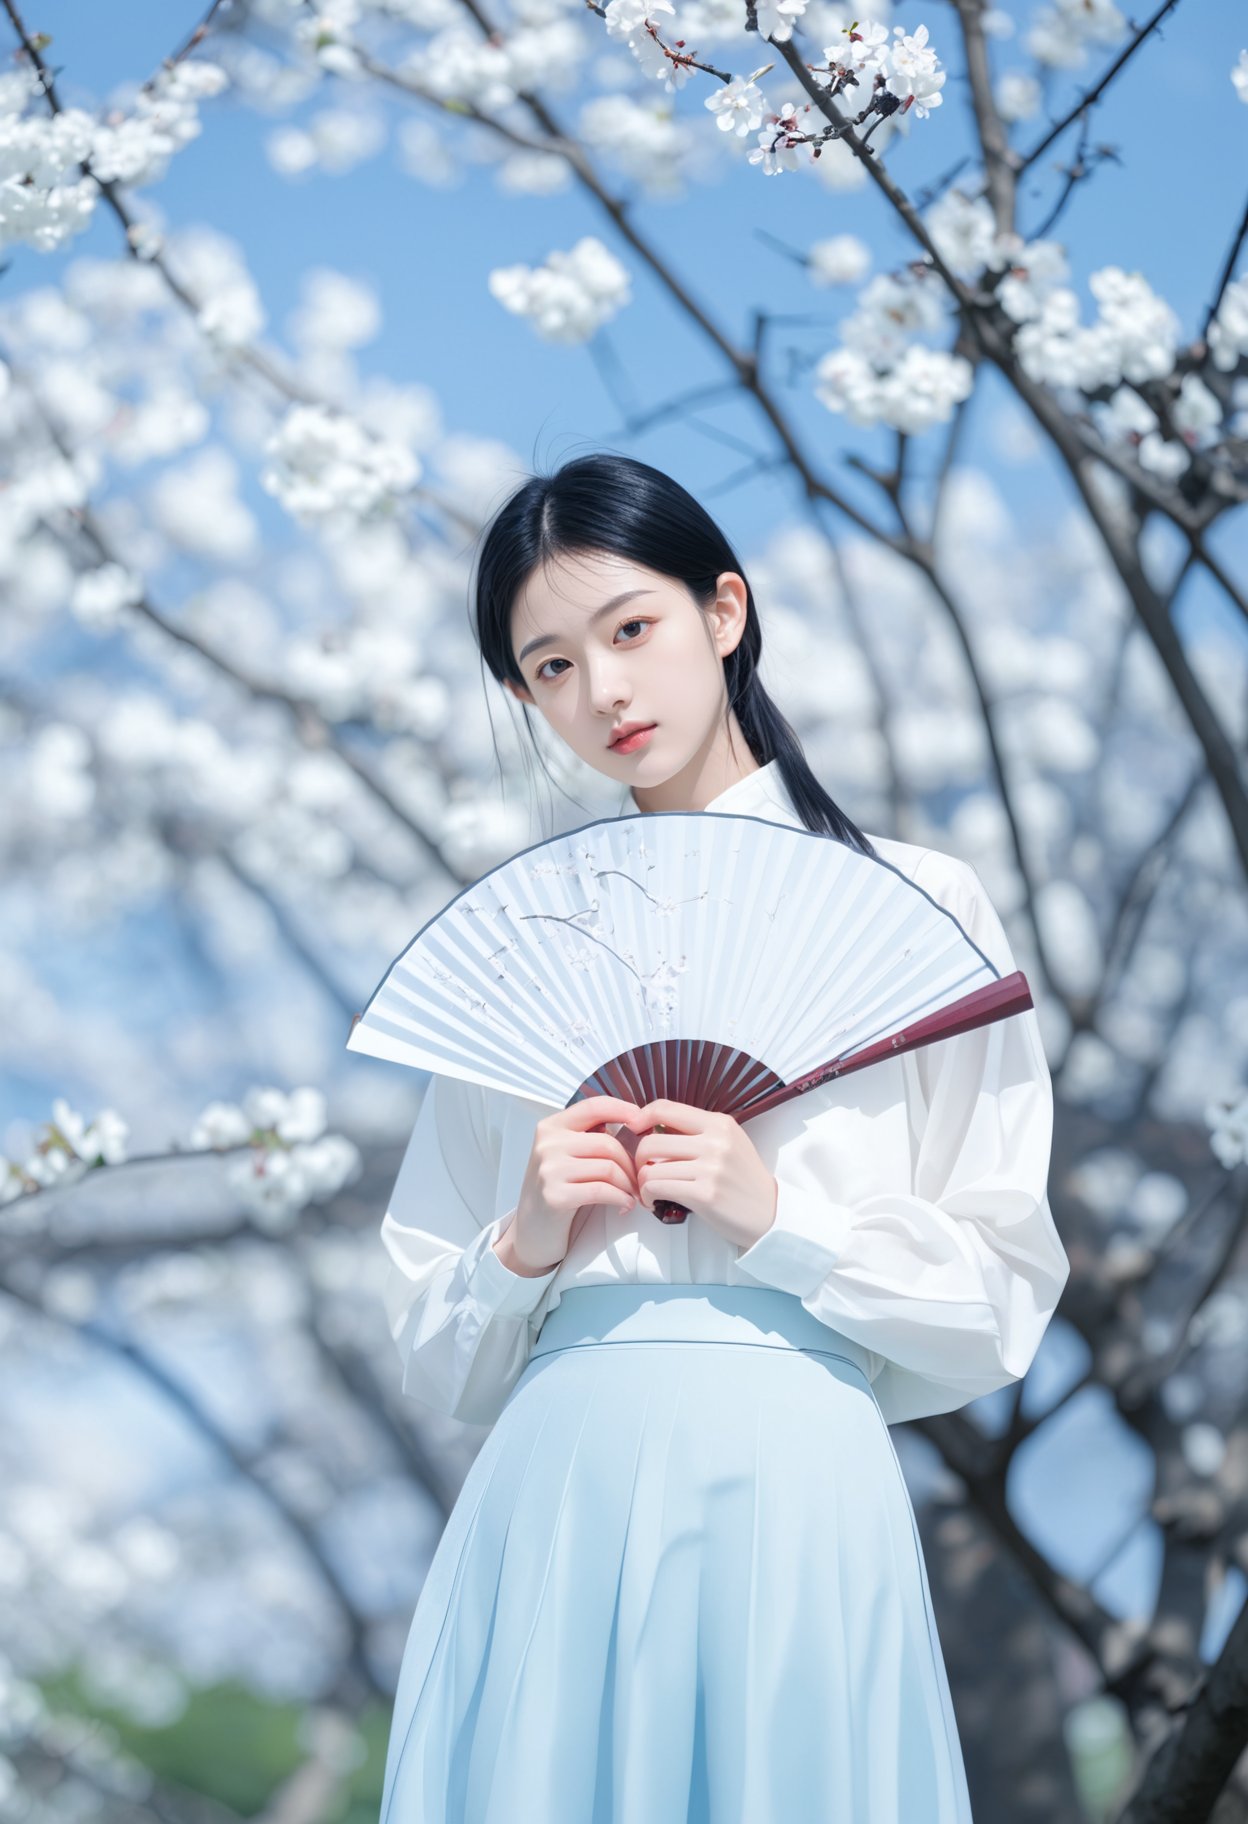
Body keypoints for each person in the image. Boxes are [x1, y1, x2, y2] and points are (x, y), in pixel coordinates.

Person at [374, 452, 1070, 1824]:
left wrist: (782, 1224)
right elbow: (430, 1349)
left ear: (725, 612)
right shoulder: (521, 945)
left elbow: (999, 1298)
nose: (606, 692)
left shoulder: (921, 907)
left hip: (798, 1472)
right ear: (523, 695)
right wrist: (521, 1244)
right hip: (560, 1480)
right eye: (552, 666)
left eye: (631, 629)